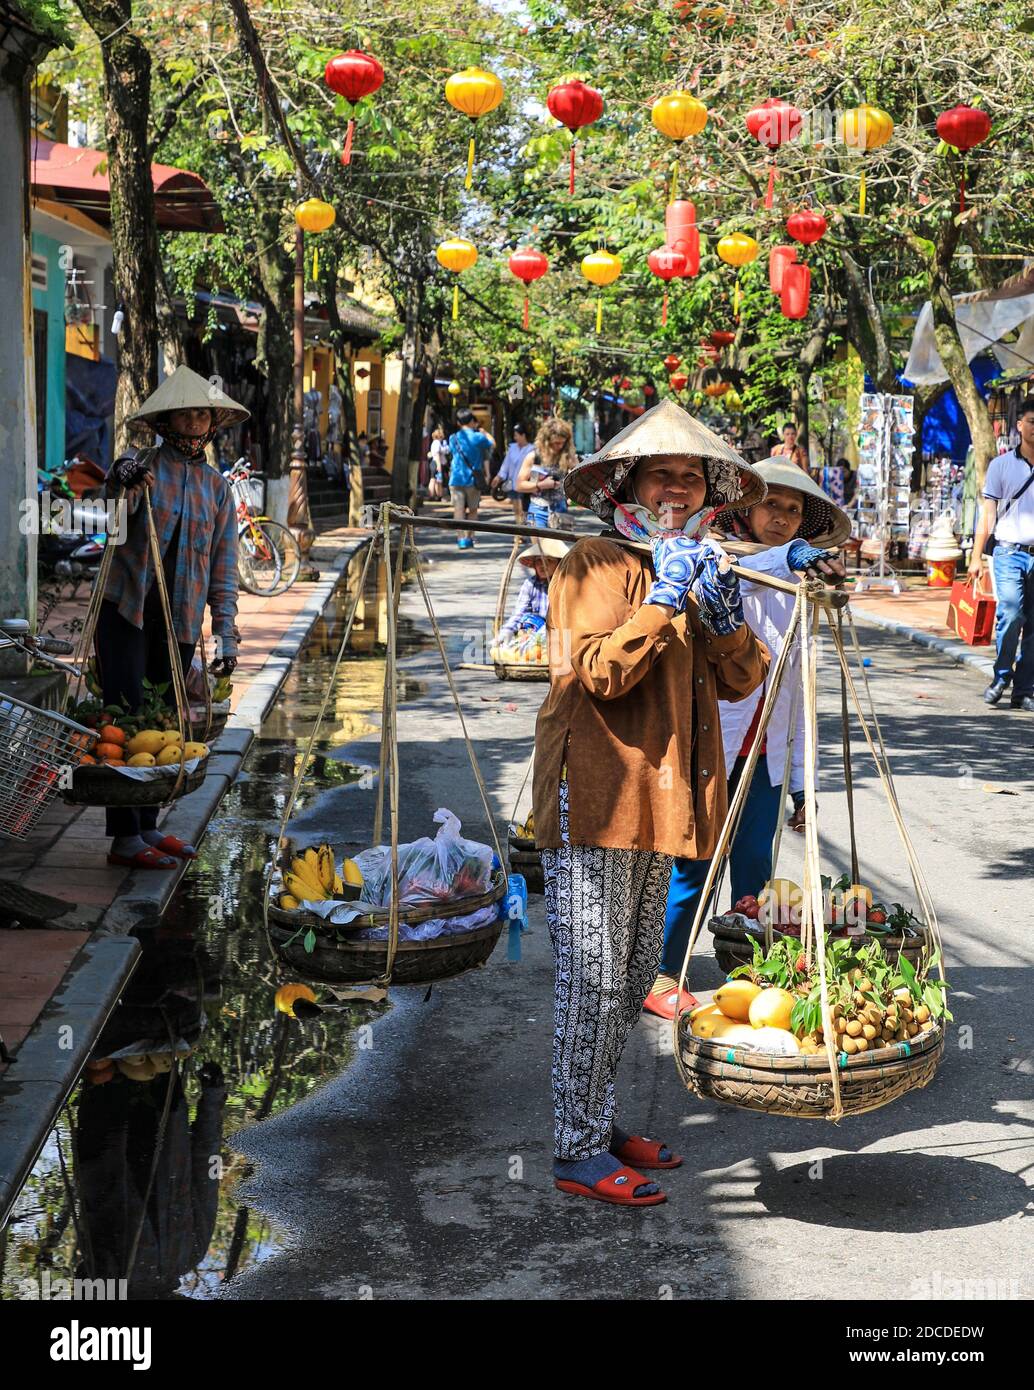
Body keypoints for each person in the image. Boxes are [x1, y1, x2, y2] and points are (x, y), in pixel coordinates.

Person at [532, 400, 770, 1206]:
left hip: (660, 800)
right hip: (596, 796)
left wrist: (724, 615)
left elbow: (744, 679)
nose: (680, 486)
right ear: (627, 482)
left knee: (632, 975)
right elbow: (597, 671)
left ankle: (598, 1123)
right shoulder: (594, 563)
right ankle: (573, 1151)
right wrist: (663, 598)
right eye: (663, 473)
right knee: (591, 980)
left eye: (693, 475)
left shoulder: (697, 563)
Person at [646, 458, 851, 1020]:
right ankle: (664, 970)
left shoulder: (795, 582)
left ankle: (746, 969)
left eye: (792, 511)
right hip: (713, 740)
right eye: (771, 505)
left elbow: (802, 685)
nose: (781, 518)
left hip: (766, 749)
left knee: (755, 865)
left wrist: (805, 782)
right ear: (744, 507)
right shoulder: (709, 552)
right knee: (695, 860)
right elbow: (736, 572)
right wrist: (785, 558)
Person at [99, 365, 245, 869]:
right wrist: (120, 479)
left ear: (211, 424)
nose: (195, 419)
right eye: (186, 411)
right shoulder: (142, 466)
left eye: (202, 412)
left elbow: (224, 568)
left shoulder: (217, 489)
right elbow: (117, 510)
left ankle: (149, 826)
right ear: (166, 422)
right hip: (128, 613)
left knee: (162, 724)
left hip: (179, 621)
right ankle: (124, 837)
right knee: (126, 718)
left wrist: (226, 634)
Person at [969, 396, 1034, 711]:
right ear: (1020, 426)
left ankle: (1024, 690)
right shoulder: (1000, 465)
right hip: (1009, 553)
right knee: (1010, 612)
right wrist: (975, 556)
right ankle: (1002, 674)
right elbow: (988, 515)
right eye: (1032, 422)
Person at [493, 538, 568, 655]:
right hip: (534, 631)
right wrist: (505, 632)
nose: (543, 565)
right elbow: (519, 613)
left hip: (560, 633)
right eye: (539, 561)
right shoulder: (530, 584)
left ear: (559, 564)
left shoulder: (565, 585)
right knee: (524, 624)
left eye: (549, 561)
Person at [517, 417, 577, 530]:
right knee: (541, 547)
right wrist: (540, 485)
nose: (558, 446)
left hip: (560, 509)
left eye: (562, 443)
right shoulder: (534, 457)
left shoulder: (568, 457)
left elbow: (579, 479)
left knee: (558, 547)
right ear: (546, 441)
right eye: (555, 443)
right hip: (537, 509)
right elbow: (519, 485)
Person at [448, 408, 494, 549]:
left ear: (458, 422)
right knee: (473, 510)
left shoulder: (453, 438)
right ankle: (469, 537)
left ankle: (460, 539)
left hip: (456, 478)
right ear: (471, 421)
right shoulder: (478, 437)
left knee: (458, 510)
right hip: (473, 480)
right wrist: (484, 432)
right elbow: (492, 444)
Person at [494, 422, 534, 523]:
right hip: (513, 483)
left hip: (525, 483)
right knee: (516, 509)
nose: (515, 437)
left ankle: (523, 530)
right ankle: (519, 531)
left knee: (523, 509)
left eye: (516, 435)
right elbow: (506, 464)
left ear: (523, 435)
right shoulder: (512, 448)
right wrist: (499, 477)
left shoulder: (531, 449)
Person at [428, 426, 450, 500]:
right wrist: (439, 465)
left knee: (435, 479)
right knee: (435, 480)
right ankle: (436, 495)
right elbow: (437, 455)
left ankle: (435, 495)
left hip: (434, 462)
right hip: (437, 462)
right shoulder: (437, 443)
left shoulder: (435, 442)